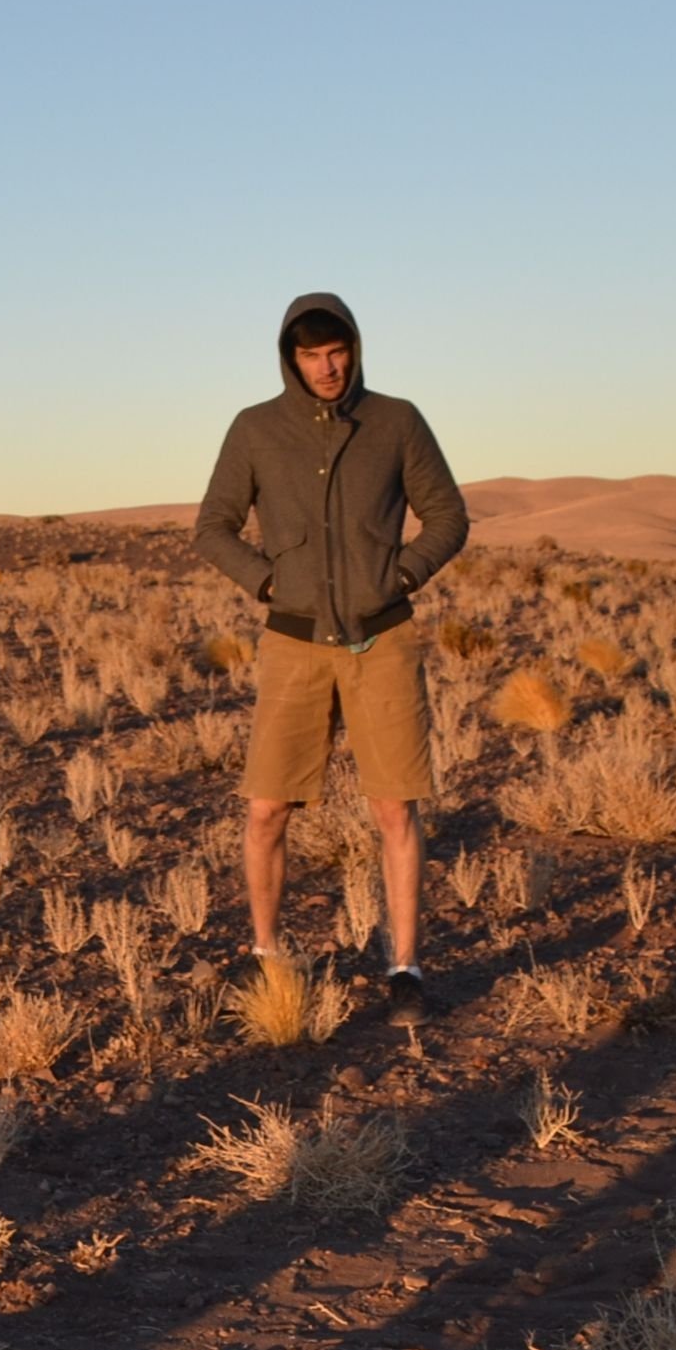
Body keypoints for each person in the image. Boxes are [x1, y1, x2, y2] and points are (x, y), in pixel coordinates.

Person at [192, 292, 470, 1021]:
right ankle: (264, 955)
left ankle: (405, 969)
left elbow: (448, 515)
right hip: (294, 642)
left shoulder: (396, 421)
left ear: (355, 350)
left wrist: (401, 576)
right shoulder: (256, 429)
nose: (327, 367)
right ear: (291, 360)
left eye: (337, 351)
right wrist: (267, 581)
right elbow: (213, 526)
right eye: (311, 355)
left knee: (395, 807)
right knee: (266, 808)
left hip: (383, 639)